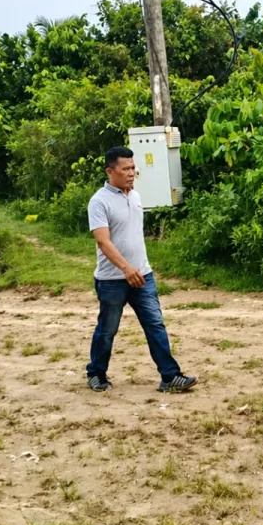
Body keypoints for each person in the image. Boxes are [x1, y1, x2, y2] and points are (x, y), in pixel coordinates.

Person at [86, 146, 197, 394]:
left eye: (133, 168)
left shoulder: (135, 196)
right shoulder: (98, 202)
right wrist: (126, 269)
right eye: (125, 168)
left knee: (155, 324)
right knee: (107, 329)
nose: (131, 173)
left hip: (143, 275)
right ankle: (95, 373)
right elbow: (103, 241)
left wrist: (137, 269)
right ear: (110, 171)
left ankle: (169, 377)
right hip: (112, 280)